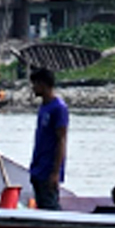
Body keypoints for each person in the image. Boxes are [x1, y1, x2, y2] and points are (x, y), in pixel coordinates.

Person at [29, 68, 69, 210]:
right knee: (41, 204)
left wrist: (55, 172)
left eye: (35, 84)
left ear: (43, 85)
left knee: (50, 206)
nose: (33, 88)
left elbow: (61, 140)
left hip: (48, 168)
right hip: (38, 166)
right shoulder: (44, 107)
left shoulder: (58, 108)